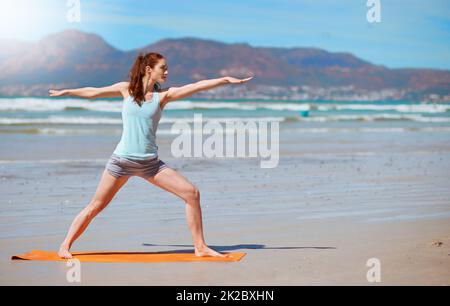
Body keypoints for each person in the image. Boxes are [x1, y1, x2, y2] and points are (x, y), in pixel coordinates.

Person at [49, 52, 253, 259]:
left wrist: (225, 80)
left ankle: (200, 247)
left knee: (191, 194)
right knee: (96, 206)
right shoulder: (125, 90)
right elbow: (93, 92)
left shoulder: (162, 96)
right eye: (162, 68)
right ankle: (65, 245)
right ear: (149, 70)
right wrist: (68, 92)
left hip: (150, 165)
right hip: (121, 162)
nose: (167, 71)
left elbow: (196, 86)